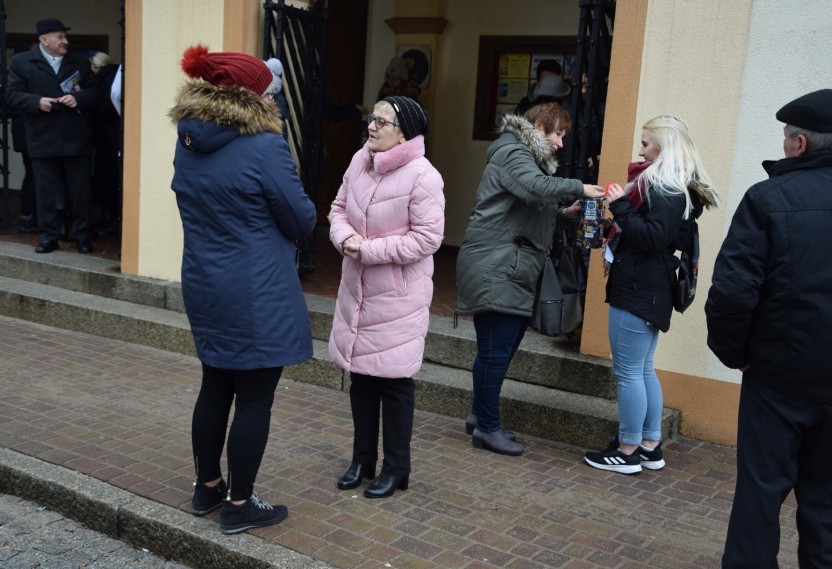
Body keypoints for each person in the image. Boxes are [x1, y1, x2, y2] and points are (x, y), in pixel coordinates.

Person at [169, 44, 316, 534]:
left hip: (206, 280)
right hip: (257, 288)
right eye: (268, 90)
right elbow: (301, 218)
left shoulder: (186, 139)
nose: (273, 98)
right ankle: (238, 503)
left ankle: (206, 487)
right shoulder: (263, 145)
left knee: (215, 386)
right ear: (251, 95)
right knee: (254, 398)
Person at [706, 89, 832, 569]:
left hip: (779, 379)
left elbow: (732, 292)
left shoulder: (767, 198)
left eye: (786, 138)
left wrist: (736, 354)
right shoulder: (769, 200)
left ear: (800, 145)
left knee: (759, 498)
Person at [455, 102, 604, 456]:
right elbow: (536, 186)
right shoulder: (512, 150)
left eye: (564, 136)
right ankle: (487, 427)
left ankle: (481, 417)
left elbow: (531, 204)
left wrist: (565, 214)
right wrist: (580, 188)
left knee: (498, 350)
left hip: (510, 267)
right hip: (497, 266)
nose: (560, 143)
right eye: (557, 133)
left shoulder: (521, 156)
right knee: (495, 351)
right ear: (538, 126)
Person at [583, 115, 719, 474]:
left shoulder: (665, 188)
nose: (640, 149)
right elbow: (650, 234)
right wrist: (620, 220)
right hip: (648, 285)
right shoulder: (670, 186)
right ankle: (649, 445)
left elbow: (653, 237)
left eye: (646, 143)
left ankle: (627, 450)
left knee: (628, 372)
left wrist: (620, 205)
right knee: (641, 368)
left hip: (640, 287)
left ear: (664, 145)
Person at [328, 95, 445, 499]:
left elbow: (428, 238)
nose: (372, 126)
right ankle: (362, 460)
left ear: (404, 133)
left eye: (383, 121)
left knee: (394, 383)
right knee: (360, 379)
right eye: (372, 119)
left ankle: (397, 468)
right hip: (358, 290)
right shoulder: (360, 160)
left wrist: (368, 250)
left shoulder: (423, 176)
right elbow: (338, 209)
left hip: (397, 296)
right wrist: (345, 238)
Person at [5, 18, 97, 254]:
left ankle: (82, 236)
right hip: (42, 138)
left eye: (65, 37)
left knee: (80, 191)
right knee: (45, 192)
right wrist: (37, 102)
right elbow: (12, 95)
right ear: (44, 39)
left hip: (76, 137)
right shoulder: (21, 62)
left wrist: (79, 98)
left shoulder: (79, 62)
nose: (65, 41)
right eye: (60, 37)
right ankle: (48, 237)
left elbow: (96, 92)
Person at [87, 52, 122, 235]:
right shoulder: (118, 75)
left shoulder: (101, 80)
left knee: (105, 180)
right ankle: (113, 218)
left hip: (105, 139)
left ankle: (109, 219)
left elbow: (102, 107)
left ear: (96, 67)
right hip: (115, 137)